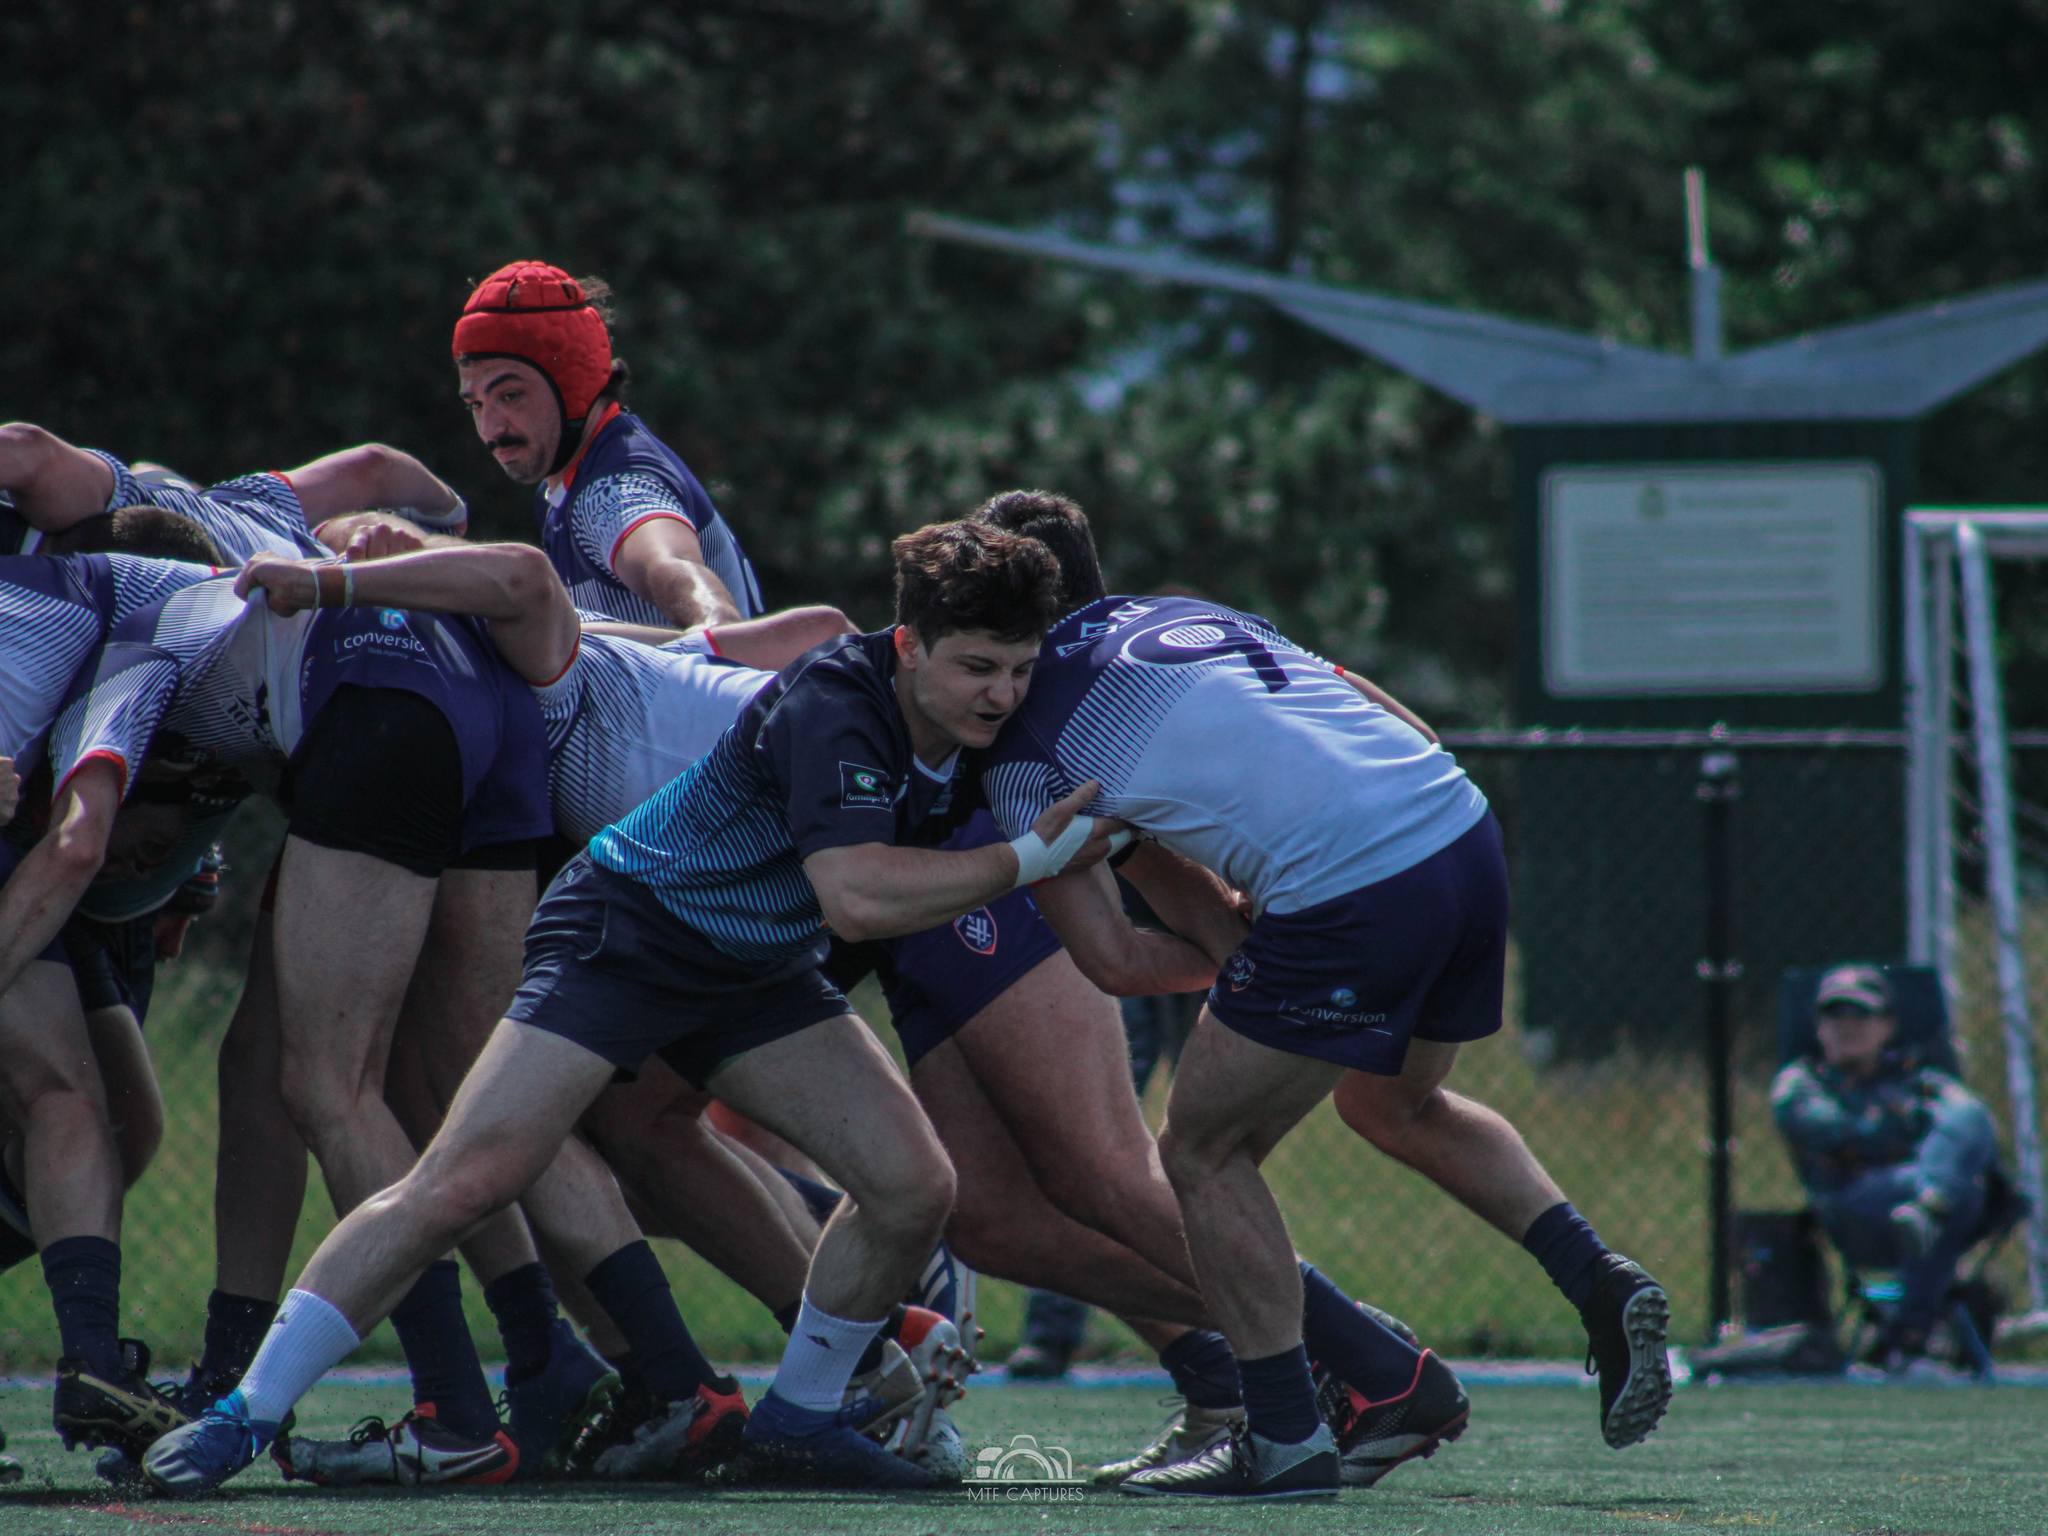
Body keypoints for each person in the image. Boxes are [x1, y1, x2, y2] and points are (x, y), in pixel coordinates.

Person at [142, 520, 1127, 1497]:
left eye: (1018, 668)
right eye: (978, 668)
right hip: (628, 934)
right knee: (464, 1180)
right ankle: (245, 1413)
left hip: (753, 965)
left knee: (913, 1186)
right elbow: (857, 898)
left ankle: (800, 1421)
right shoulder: (839, 705)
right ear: (908, 647)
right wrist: (1024, 861)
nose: (1002, 693)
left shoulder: (986, 719)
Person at [971, 491, 1673, 1499]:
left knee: (1201, 1152)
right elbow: (1404, 723)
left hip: (1355, 888)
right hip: (1457, 827)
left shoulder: (1023, 739)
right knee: (1392, 1100)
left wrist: (1251, 956)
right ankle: (1593, 1276)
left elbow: (1119, 964)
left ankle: (1283, 1433)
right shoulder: (1185, 616)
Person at [0, 542, 225, 1457]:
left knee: (112, 1115)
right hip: (37, 858)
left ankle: (93, 1358)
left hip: (37, 869)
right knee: (63, 1094)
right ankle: (92, 1358)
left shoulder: (119, 630)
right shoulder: (118, 624)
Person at [453, 260, 762, 627]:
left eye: (510, 395)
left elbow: (670, 563)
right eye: (476, 404)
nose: (491, 429)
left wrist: (715, 621)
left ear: (572, 388)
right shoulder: (560, 492)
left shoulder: (611, 490)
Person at [1771, 964, 2000, 1371]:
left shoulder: (1920, 1079)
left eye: (1861, 1014)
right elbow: (1838, 1133)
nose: (1848, 1025)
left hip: (1917, 1201)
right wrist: (1913, 1128)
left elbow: (1970, 1120)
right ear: (1818, 1026)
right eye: (1835, 1014)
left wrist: (1907, 1131)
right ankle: (1912, 1334)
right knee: (1959, 1188)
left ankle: (1904, 1332)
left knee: (1970, 1117)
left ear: (1888, 1025)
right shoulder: (1802, 1084)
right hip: (1854, 1204)